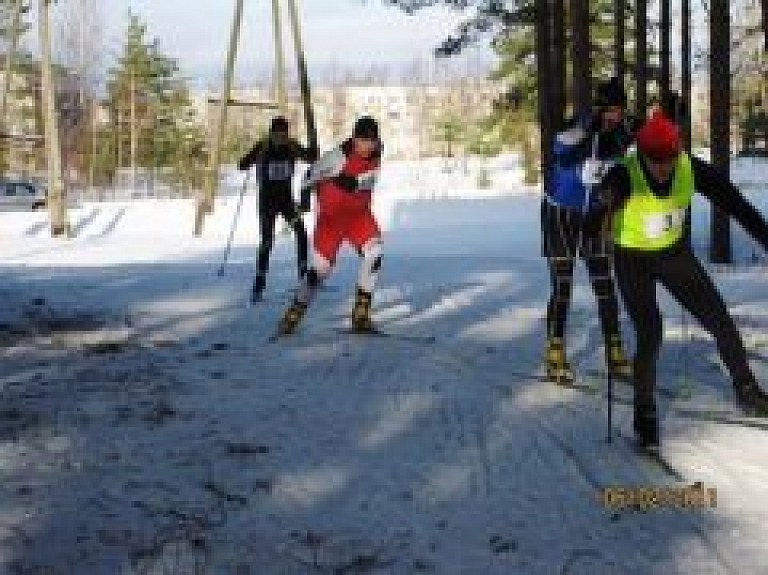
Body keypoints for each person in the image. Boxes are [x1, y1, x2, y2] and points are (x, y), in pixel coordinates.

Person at [591, 112, 768, 451]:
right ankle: (645, 413)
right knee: (651, 331)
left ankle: (748, 392)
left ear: (678, 152)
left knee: (720, 319)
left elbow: (736, 204)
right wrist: (603, 207)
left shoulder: (689, 167)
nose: (663, 166)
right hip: (632, 259)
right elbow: (594, 217)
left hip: (673, 255)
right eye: (654, 159)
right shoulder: (624, 175)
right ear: (641, 153)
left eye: (668, 158)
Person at [541, 77, 635, 384]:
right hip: (560, 214)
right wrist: (587, 132)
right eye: (609, 111)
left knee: (604, 283)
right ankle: (555, 350)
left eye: (618, 111)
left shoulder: (619, 136)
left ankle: (614, 348)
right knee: (563, 284)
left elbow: (629, 156)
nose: (614, 117)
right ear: (599, 109)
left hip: (593, 215)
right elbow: (562, 153)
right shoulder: (578, 127)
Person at [274, 116, 384, 336]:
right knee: (320, 270)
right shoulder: (335, 158)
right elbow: (308, 176)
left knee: (375, 252)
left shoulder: (378, 152)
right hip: (331, 220)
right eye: (363, 141)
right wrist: (305, 202)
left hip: (358, 217)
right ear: (354, 139)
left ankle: (360, 314)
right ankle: (295, 311)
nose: (368, 146)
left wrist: (354, 182)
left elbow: (371, 177)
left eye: (372, 141)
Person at [237, 116, 318, 301]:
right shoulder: (263, 146)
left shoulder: (291, 146)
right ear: (271, 133)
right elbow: (241, 164)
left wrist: (313, 150)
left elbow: (310, 157)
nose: (281, 137)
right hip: (267, 203)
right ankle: (259, 283)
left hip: (287, 202)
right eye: (278, 134)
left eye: (284, 134)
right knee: (267, 242)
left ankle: (303, 276)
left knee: (302, 234)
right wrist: (248, 161)